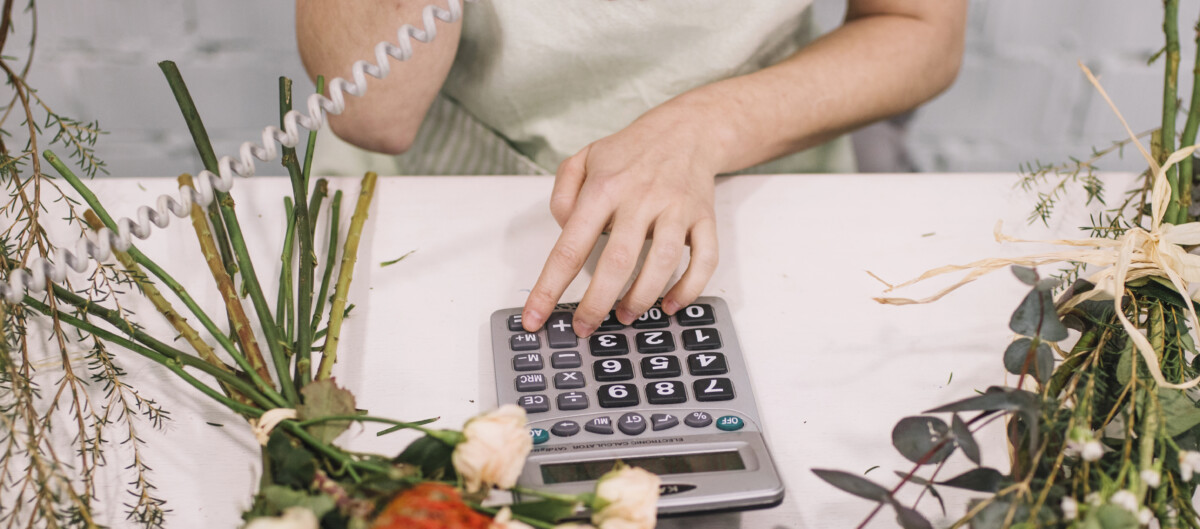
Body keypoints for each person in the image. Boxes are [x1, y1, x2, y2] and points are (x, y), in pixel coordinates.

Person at [296, 1, 966, 336]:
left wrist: (705, 129)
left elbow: (918, 27)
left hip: (748, 187)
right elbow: (375, 109)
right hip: (437, 205)